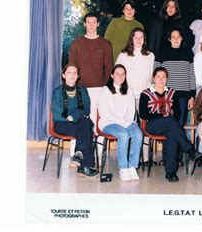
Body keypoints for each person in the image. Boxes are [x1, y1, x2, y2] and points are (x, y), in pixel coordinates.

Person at [139, 67, 201, 182]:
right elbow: (143, 114)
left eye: (164, 77)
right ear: (153, 78)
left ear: (167, 79)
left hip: (170, 125)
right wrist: (161, 116)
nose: (161, 79)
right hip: (152, 125)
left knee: (172, 134)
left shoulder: (172, 92)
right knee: (170, 121)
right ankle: (189, 149)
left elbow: (177, 113)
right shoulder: (145, 93)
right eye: (158, 76)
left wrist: (168, 118)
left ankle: (171, 172)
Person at [69, 12, 113, 161]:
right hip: (80, 89)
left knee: (96, 120)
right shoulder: (77, 43)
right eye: (89, 22)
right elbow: (71, 66)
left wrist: (103, 85)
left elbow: (109, 68)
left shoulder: (105, 44)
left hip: (98, 89)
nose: (92, 25)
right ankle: (75, 156)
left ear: (98, 24)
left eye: (94, 22)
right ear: (84, 24)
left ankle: (97, 156)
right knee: (78, 120)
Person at [50, 63, 98, 177]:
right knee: (86, 127)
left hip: (79, 123)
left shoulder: (83, 90)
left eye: (74, 73)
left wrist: (74, 116)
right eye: (69, 72)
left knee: (85, 124)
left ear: (78, 76)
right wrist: (72, 116)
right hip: (62, 124)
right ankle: (86, 164)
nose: (72, 75)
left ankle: (79, 157)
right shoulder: (57, 91)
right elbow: (57, 112)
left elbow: (86, 109)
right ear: (63, 75)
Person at [115, 27, 155, 163]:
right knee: (129, 125)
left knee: (145, 126)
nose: (138, 40)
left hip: (144, 96)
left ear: (144, 40)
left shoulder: (150, 55)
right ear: (131, 39)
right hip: (127, 96)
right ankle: (128, 156)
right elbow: (117, 75)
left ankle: (144, 157)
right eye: (135, 37)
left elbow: (152, 77)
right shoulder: (123, 55)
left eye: (141, 37)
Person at [98, 64, 143, 181]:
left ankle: (132, 167)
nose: (120, 76)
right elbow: (104, 113)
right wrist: (122, 122)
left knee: (138, 134)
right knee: (123, 134)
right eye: (117, 74)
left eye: (123, 74)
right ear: (112, 75)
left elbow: (131, 110)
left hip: (127, 122)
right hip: (108, 123)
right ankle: (123, 168)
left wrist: (127, 122)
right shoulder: (105, 90)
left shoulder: (129, 90)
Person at [154, 27, 196, 127]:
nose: (176, 39)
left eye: (178, 37)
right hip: (166, 94)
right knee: (167, 123)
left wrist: (192, 96)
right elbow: (155, 74)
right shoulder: (161, 53)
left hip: (183, 95)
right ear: (169, 39)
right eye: (173, 37)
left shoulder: (188, 53)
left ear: (182, 38)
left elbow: (191, 74)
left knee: (180, 123)